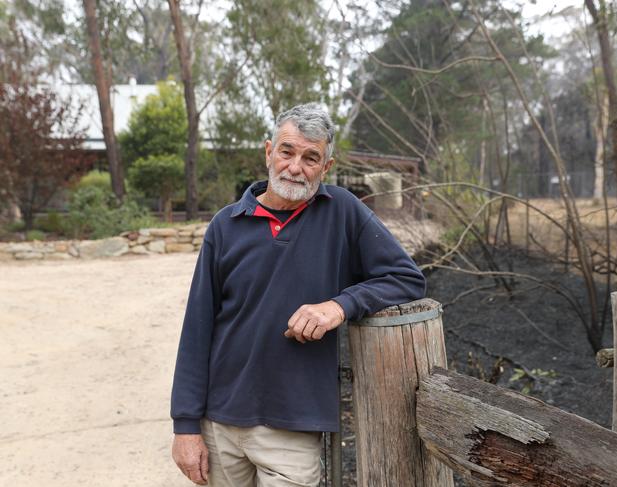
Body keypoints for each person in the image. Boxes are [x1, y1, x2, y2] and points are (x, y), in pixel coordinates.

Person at [170, 102, 426, 486]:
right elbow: (197, 328)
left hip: (293, 426)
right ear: (269, 151)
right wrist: (185, 427)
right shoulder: (225, 225)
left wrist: (339, 306)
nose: (295, 166)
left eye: (311, 158)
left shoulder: (343, 212)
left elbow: (406, 277)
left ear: (326, 167)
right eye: (287, 151)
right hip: (219, 423)